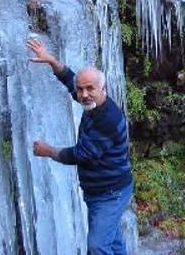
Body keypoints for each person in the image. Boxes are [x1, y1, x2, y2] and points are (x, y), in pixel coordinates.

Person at [27, 39, 133, 255]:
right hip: (100, 190)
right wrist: (51, 61)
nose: (83, 94)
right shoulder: (92, 102)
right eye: (81, 89)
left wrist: (48, 151)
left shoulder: (108, 120)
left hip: (110, 193)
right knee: (112, 242)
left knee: (98, 246)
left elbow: (81, 154)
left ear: (103, 89)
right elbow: (70, 79)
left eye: (90, 89)